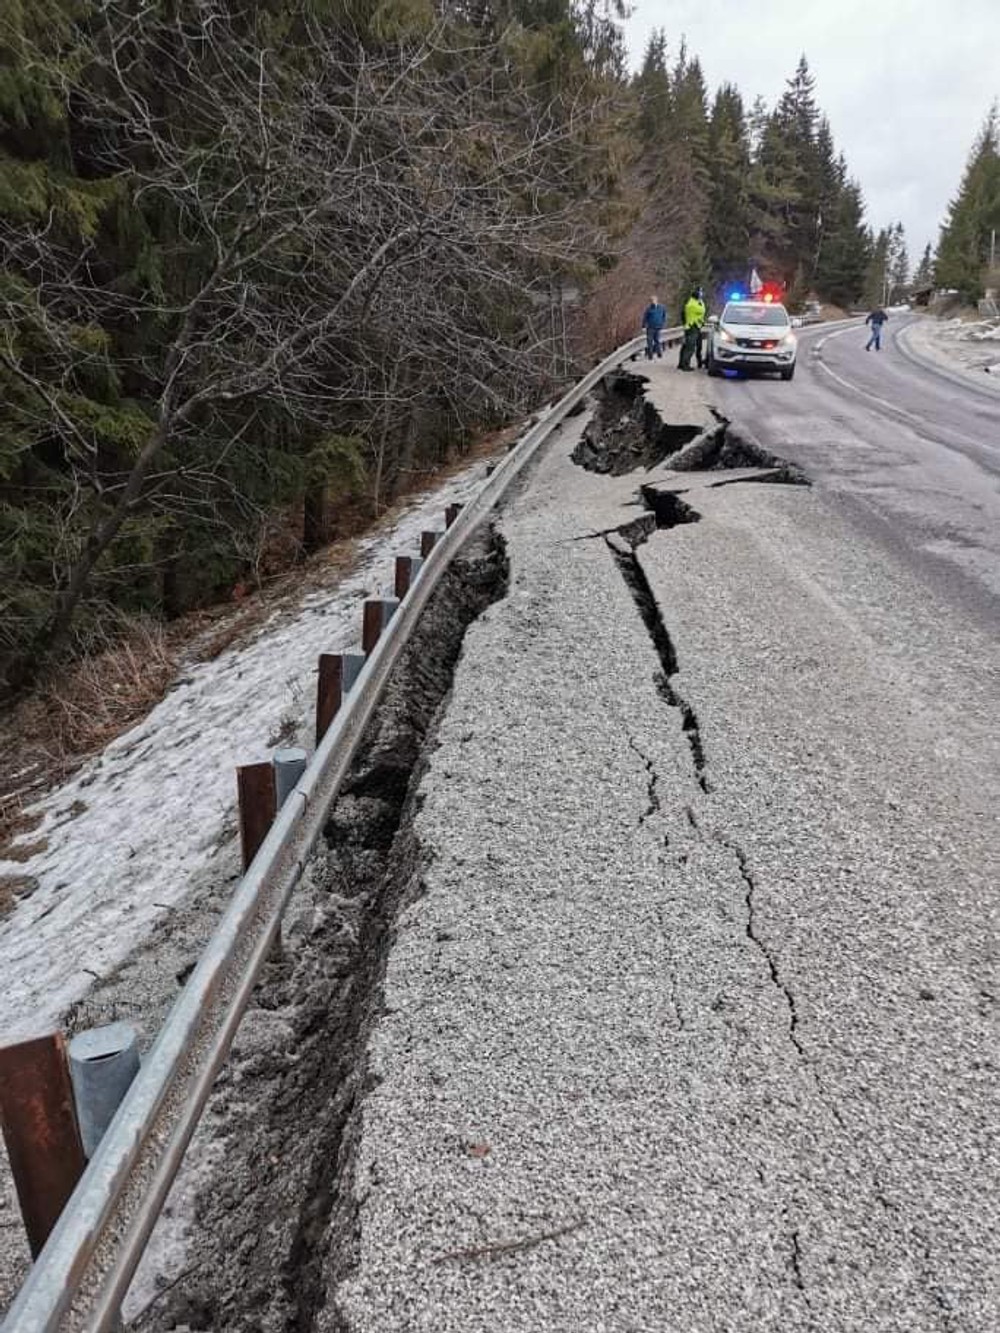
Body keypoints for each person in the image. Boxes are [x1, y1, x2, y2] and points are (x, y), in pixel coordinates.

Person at [679, 286, 707, 371]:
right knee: (690, 347)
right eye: (700, 293)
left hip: (695, 326)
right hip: (692, 327)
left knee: (689, 346)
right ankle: (685, 365)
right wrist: (701, 301)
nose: (702, 294)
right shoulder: (693, 304)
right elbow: (702, 310)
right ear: (697, 294)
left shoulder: (693, 302)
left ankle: (682, 363)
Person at [642, 295, 667, 360]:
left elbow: (664, 316)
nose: (653, 302)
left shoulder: (661, 307)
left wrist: (663, 323)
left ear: (657, 300)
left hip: (658, 327)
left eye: (654, 300)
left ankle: (659, 353)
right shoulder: (648, 309)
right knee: (649, 341)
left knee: (657, 341)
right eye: (651, 300)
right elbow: (645, 317)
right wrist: (643, 326)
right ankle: (650, 355)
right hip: (650, 327)